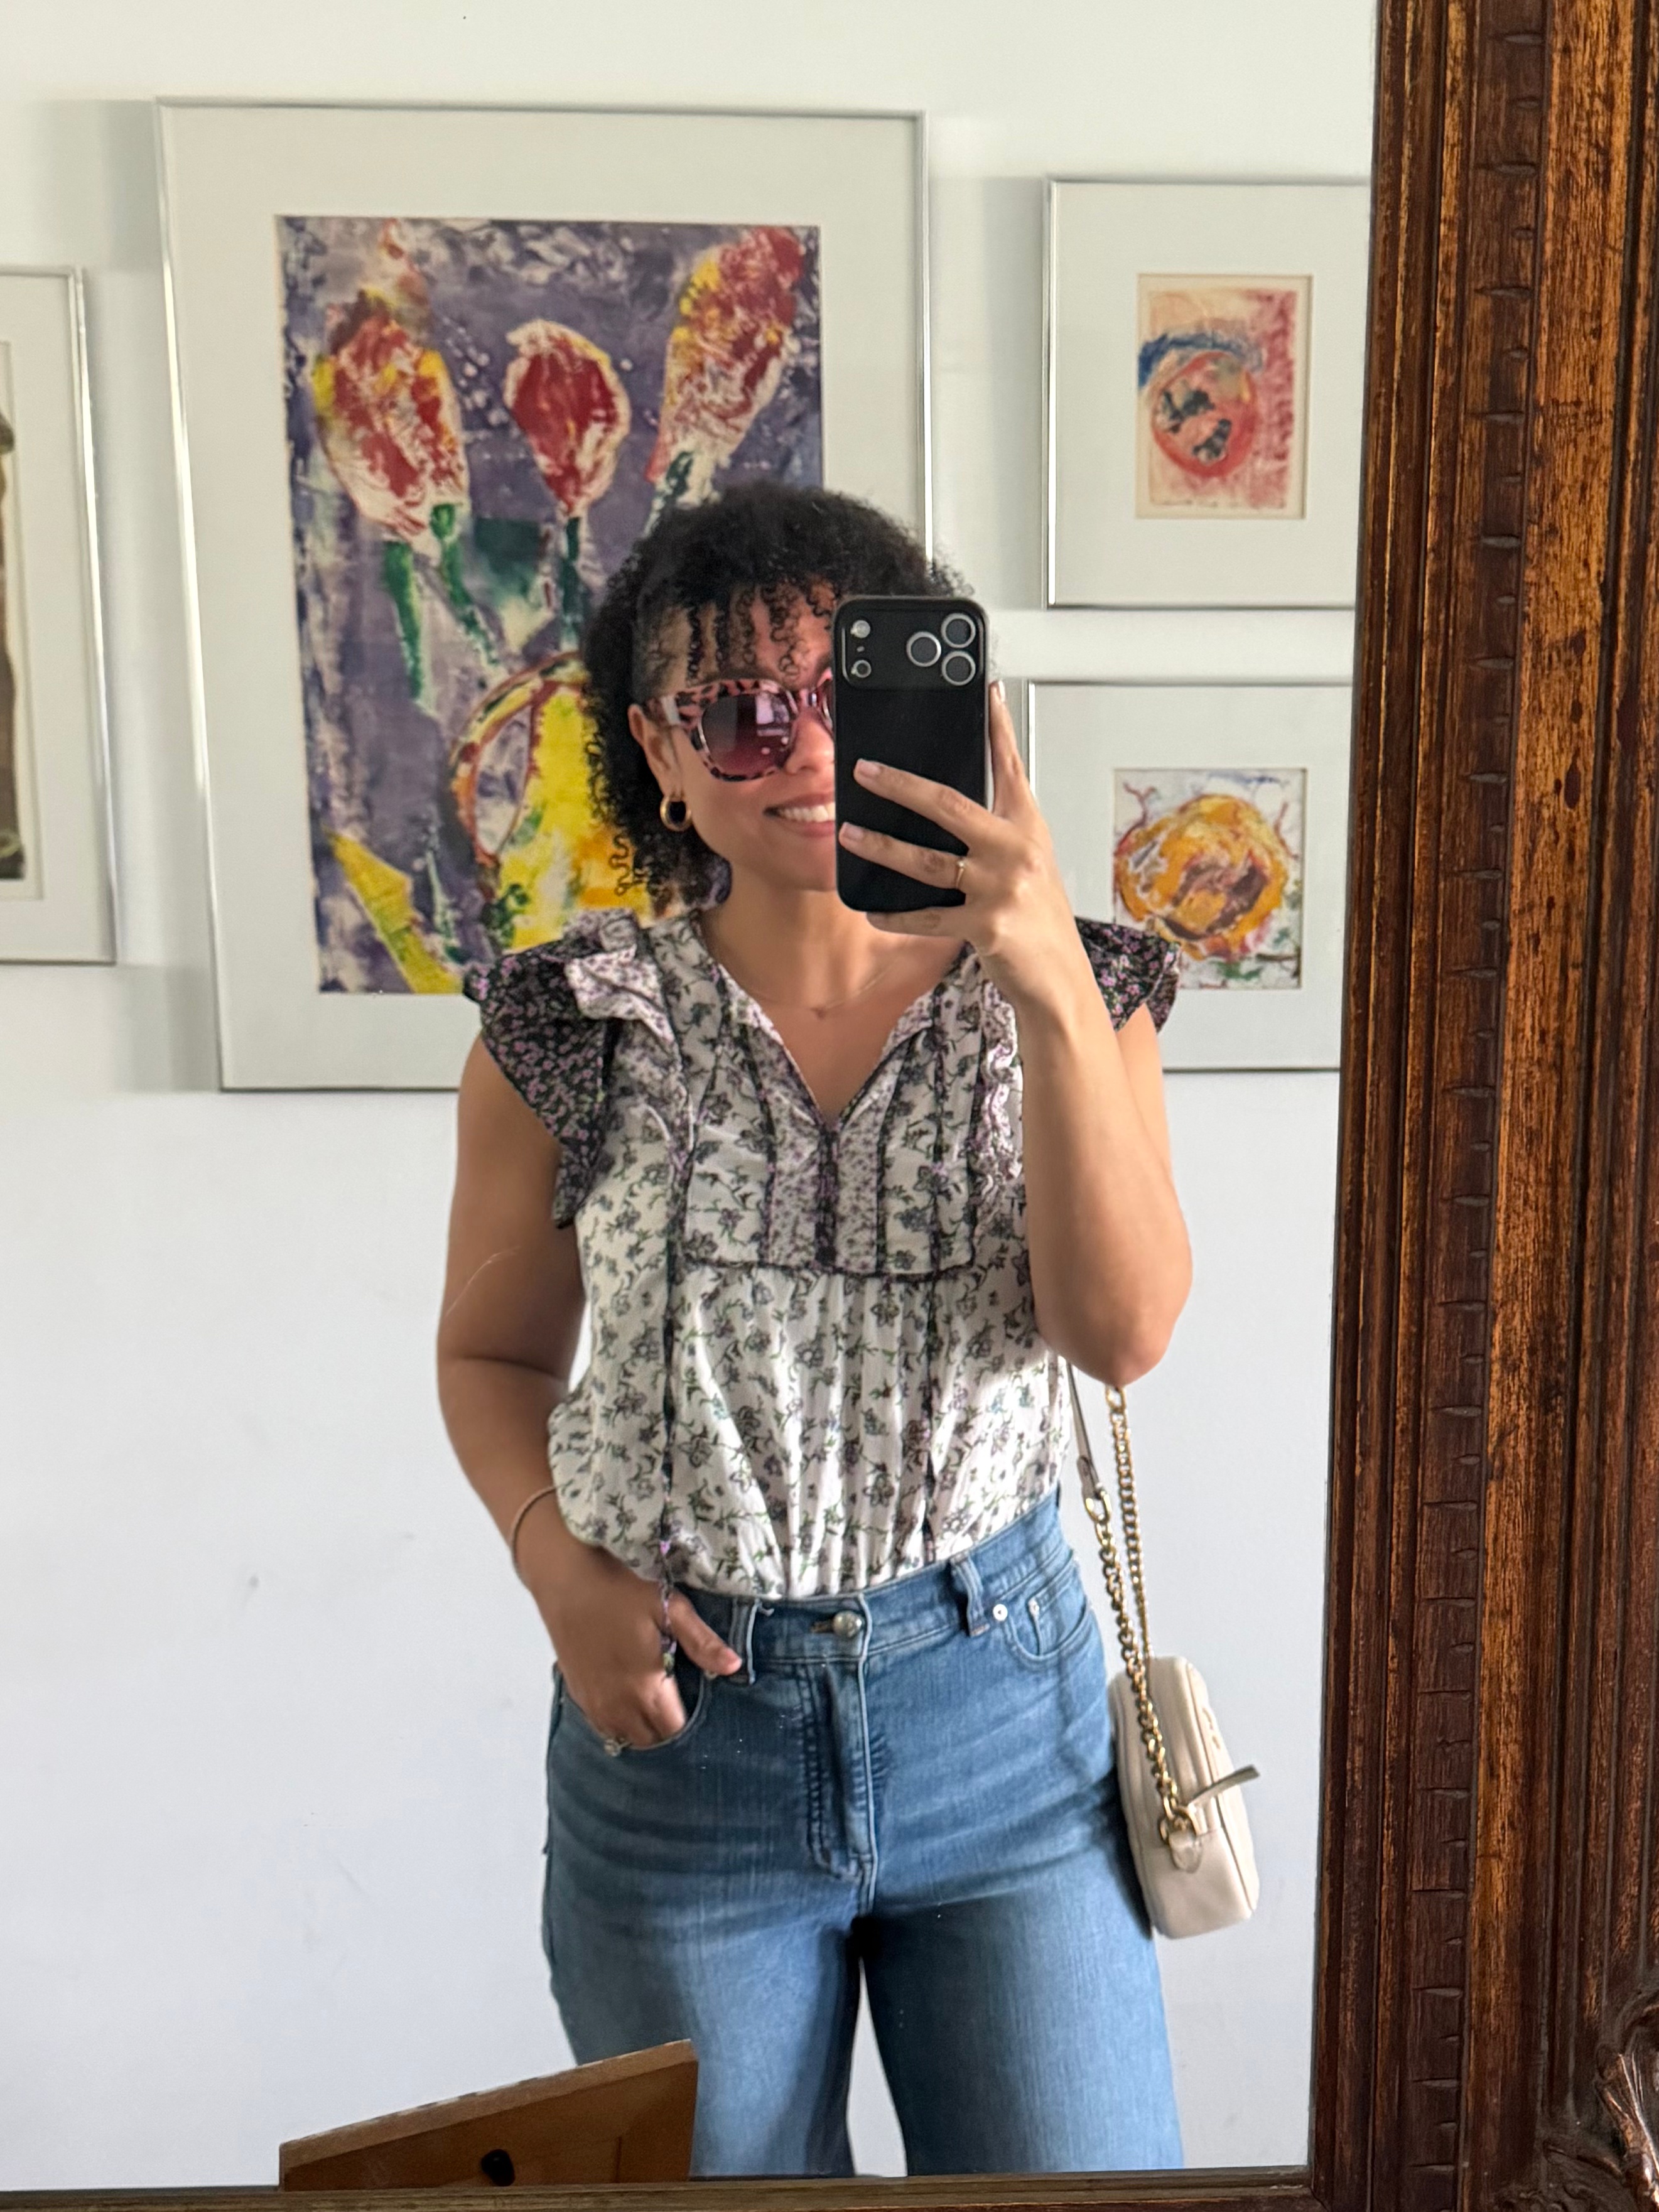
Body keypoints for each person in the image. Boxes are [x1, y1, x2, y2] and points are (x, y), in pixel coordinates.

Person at [435, 482, 1191, 2177]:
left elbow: (1123, 1330)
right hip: (679, 1732)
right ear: (661, 749)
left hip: (1005, 1718)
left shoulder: (1083, 988)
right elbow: (490, 1358)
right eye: (738, 710)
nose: (804, 747)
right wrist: (556, 1570)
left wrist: (1040, 977)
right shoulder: (569, 1023)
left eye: (849, 692)